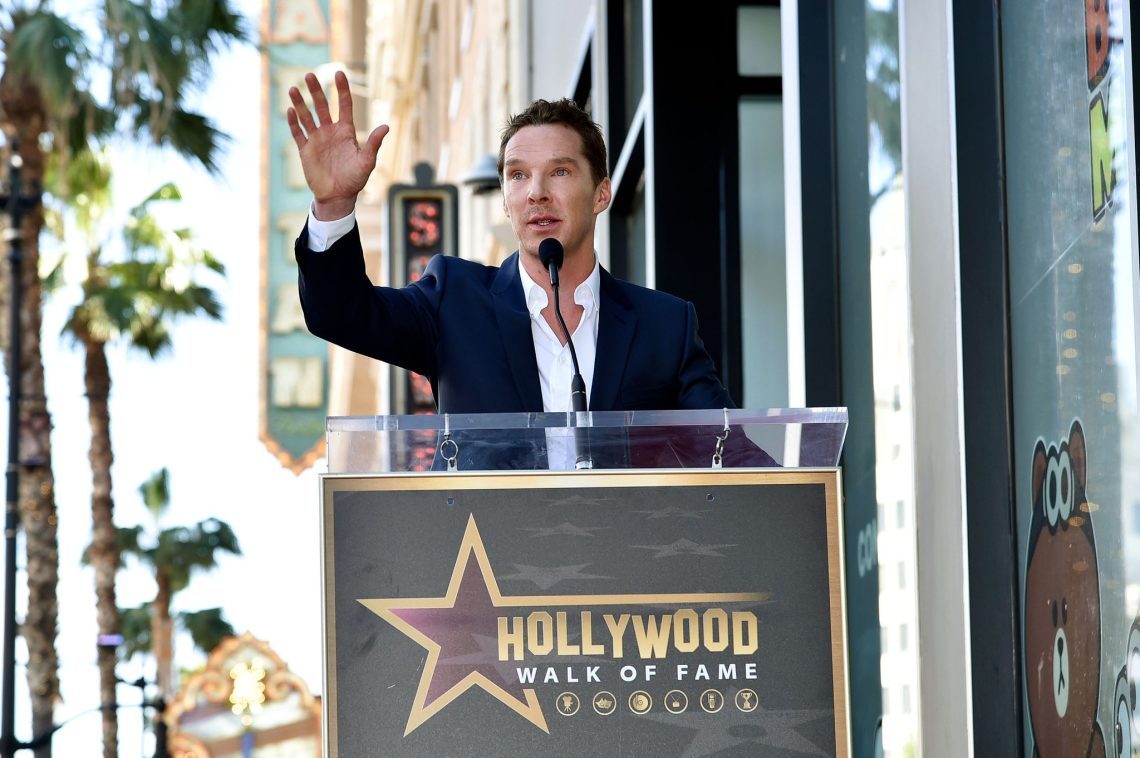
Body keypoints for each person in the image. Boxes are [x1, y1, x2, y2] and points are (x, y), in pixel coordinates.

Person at [287, 71, 772, 469]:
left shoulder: (665, 326)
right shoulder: (453, 300)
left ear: (602, 192)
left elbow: (731, 457)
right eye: (518, 175)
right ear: (505, 199)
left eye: (559, 171)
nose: (536, 191)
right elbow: (340, 311)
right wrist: (333, 204)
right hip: (482, 576)